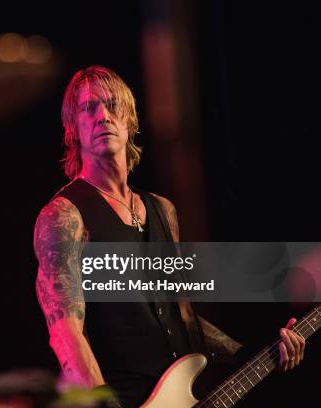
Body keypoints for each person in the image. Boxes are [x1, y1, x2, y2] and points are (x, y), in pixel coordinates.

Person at [33, 65, 305, 407]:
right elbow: (65, 335)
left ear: (130, 119)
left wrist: (250, 354)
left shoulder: (163, 210)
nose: (102, 115)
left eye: (112, 104)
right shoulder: (63, 215)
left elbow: (182, 314)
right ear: (72, 128)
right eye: (89, 107)